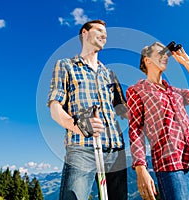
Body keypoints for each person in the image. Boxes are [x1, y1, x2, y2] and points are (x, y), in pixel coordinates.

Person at [47, 19, 128, 200]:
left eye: (105, 33)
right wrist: (78, 126)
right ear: (84, 32)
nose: (104, 35)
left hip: (116, 149)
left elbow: (125, 111)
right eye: (99, 30)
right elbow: (55, 107)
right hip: (82, 148)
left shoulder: (109, 74)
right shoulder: (66, 65)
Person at [126, 42, 189, 200]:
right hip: (170, 164)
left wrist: (187, 62)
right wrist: (140, 167)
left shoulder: (175, 92)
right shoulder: (136, 91)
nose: (165, 57)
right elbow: (136, 129)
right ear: (147, 60)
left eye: (166, 54)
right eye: (160, 53)